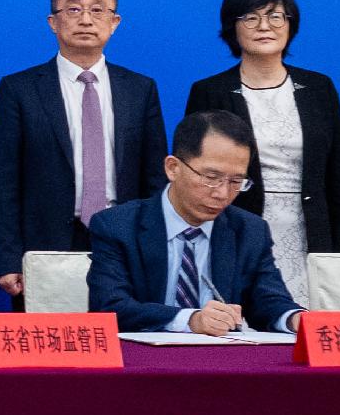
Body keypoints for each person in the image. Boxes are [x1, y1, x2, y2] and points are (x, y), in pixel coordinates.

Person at [0, 0, 164, 303]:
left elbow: (155, 179)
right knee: (49, 349)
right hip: (45, 246)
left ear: (115, 21)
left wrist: (154, 248)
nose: (86, 19)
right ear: (53, 21)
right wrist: (8, 258)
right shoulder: (20, 90)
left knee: (127, 345)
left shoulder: (140, 90)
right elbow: (3, 183)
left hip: (123, 240)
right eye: (73, 9)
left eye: (98, 10)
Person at [180, 0, 340, 301]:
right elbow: (193, 174)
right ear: (232, 28)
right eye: (250, 18)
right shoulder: (209, 91)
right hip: (236, 225)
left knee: (304, 320)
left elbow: (338, 176)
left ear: (290, 25)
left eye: (276, 17)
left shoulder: (319, 88)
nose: (264, 27)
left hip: (309, 230)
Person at [85, 111, 302, 335]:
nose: (222, 193)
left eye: (236, 181)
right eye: (211, 178)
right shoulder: (117, 226)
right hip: (143, 360)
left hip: (221, 361)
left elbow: (270, 300)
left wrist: (295, 319)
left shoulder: (250, 230)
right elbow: (110, 308)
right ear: (173, 168)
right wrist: (189, 320)